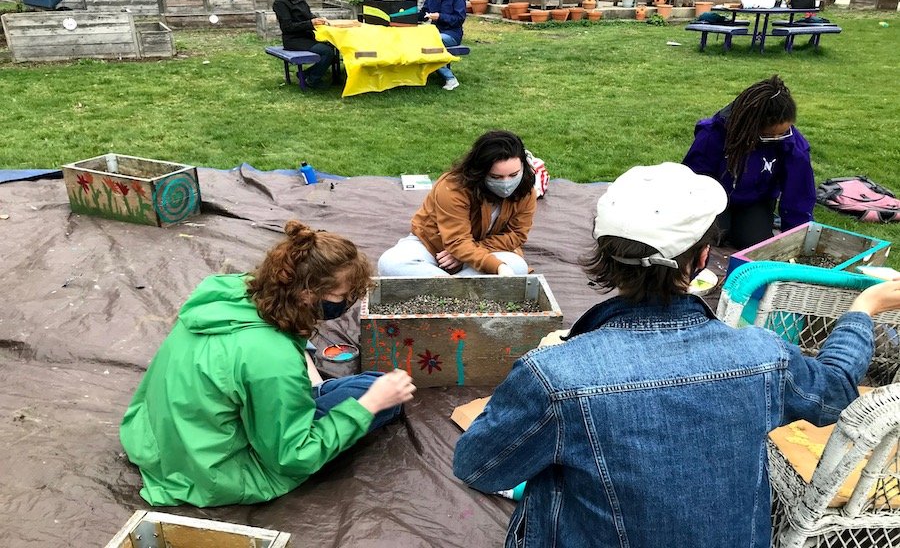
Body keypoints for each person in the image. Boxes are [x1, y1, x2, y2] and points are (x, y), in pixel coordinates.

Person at [453, 162, 900, 548]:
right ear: (704, 256)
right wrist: (862, 310)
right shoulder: (764, 355)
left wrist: (531, 387)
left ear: (603, 253)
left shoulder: (553, 376)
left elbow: (480, 468)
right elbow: (834, 392)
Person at [120, 221, 416, 507]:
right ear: (306, 294)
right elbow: (293, 456)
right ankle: (354, 400)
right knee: (382, 395)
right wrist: (367, 408)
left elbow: (265, 351)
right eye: (341, 296)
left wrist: (303, 371)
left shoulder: (229, 292)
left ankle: (323, 393)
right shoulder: (273, 362)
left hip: (163, 442)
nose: (347, 302)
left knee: (369, 386)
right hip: (215, 472)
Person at [378, 130, 537, 277]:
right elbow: (457, 241)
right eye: (496, 177)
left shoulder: (526, 191)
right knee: (390, 263)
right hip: (435, 247)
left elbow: (516, 235)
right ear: (479, 172)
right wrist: (497, 267)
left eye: (514, 175)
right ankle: (459, 289)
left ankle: (441, 288)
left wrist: (472, 253)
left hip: (487, 250)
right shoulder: (452, 188)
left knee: (517, 266)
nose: (507, 183)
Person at [682, 75, 816, 249]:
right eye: (770, 135)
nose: (778, 138)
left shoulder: (791, 144)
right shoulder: (713, 134)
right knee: (708, 239)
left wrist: (797, 237)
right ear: (751, 126)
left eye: (784, 132)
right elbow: (692, 180)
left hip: (756, 200)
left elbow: (799, 193)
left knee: (753, 244)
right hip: (714, 199)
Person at [272, 0, 336, 88]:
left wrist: (318, 19)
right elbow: (287, 27)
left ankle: (305, 73)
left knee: (332, 46)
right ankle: (312, 80)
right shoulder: (280, 3)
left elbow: (307, 14)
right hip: (294, 40)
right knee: (327, 52)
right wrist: (310, 23)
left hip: (307, 35)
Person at [419, 0, 466, 91]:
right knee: (419, 41)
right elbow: (422, 14)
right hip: (434, 33)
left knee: (432, 44)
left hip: (452, 34)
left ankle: (450, 79)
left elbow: (459, 19)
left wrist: (440, 16)